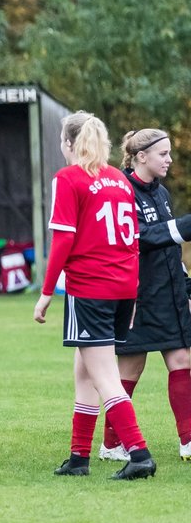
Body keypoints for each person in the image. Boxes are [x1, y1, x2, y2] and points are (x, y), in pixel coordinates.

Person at [33, 111, 156, 480]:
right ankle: (79, 457)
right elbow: (132, 243)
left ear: (67, 143)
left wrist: (45, 293)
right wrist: (132, 295)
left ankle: (139, 454)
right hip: (120, 287)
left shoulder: (68, 178)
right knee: (85, 372)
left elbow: (63, 240)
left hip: (90, 288)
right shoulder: (119, 179)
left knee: (103, 375)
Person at [94, 128, 191, 463]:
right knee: (130, 370)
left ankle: (188, 441)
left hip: (169, 295)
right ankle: (110, 445)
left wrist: (185, 282)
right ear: (141, 157)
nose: (169, 159)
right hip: (136, 296)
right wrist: (181, 228)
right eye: (163, 154)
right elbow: (136, 237)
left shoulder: (161, 193)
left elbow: (168, 248)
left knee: (182, 362)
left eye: (168, 153)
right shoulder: (120, 190)